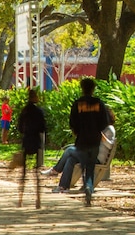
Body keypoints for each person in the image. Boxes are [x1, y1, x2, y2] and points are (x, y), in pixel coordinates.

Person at [42, 107, 115, 193]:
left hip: (97, 158)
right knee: (71, 159)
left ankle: (55, 170)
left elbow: (110, 145)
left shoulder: (109, 129)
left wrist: (101, 136)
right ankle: (63, 187)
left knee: (70, 150)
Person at [69, 77, 110, 206]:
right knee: (91, 167)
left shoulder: (77, 104)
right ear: (93, 89)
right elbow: (105, 122)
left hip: (82, 140)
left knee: (84, 165)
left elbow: (72, 122)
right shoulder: (99, 103)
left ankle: (86, 185)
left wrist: (77, 131)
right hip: (94, 140)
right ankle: (89, 187)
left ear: (82, 88)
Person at [12, 89, 47, 208]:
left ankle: (20, 200)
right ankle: (38, 201)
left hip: (26, 141)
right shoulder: (38, 111)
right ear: (34, 97)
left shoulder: (24, 111)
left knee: (24, 172)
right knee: (36, 172)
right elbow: (43, 128)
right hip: (36, 141)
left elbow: (20, 127)